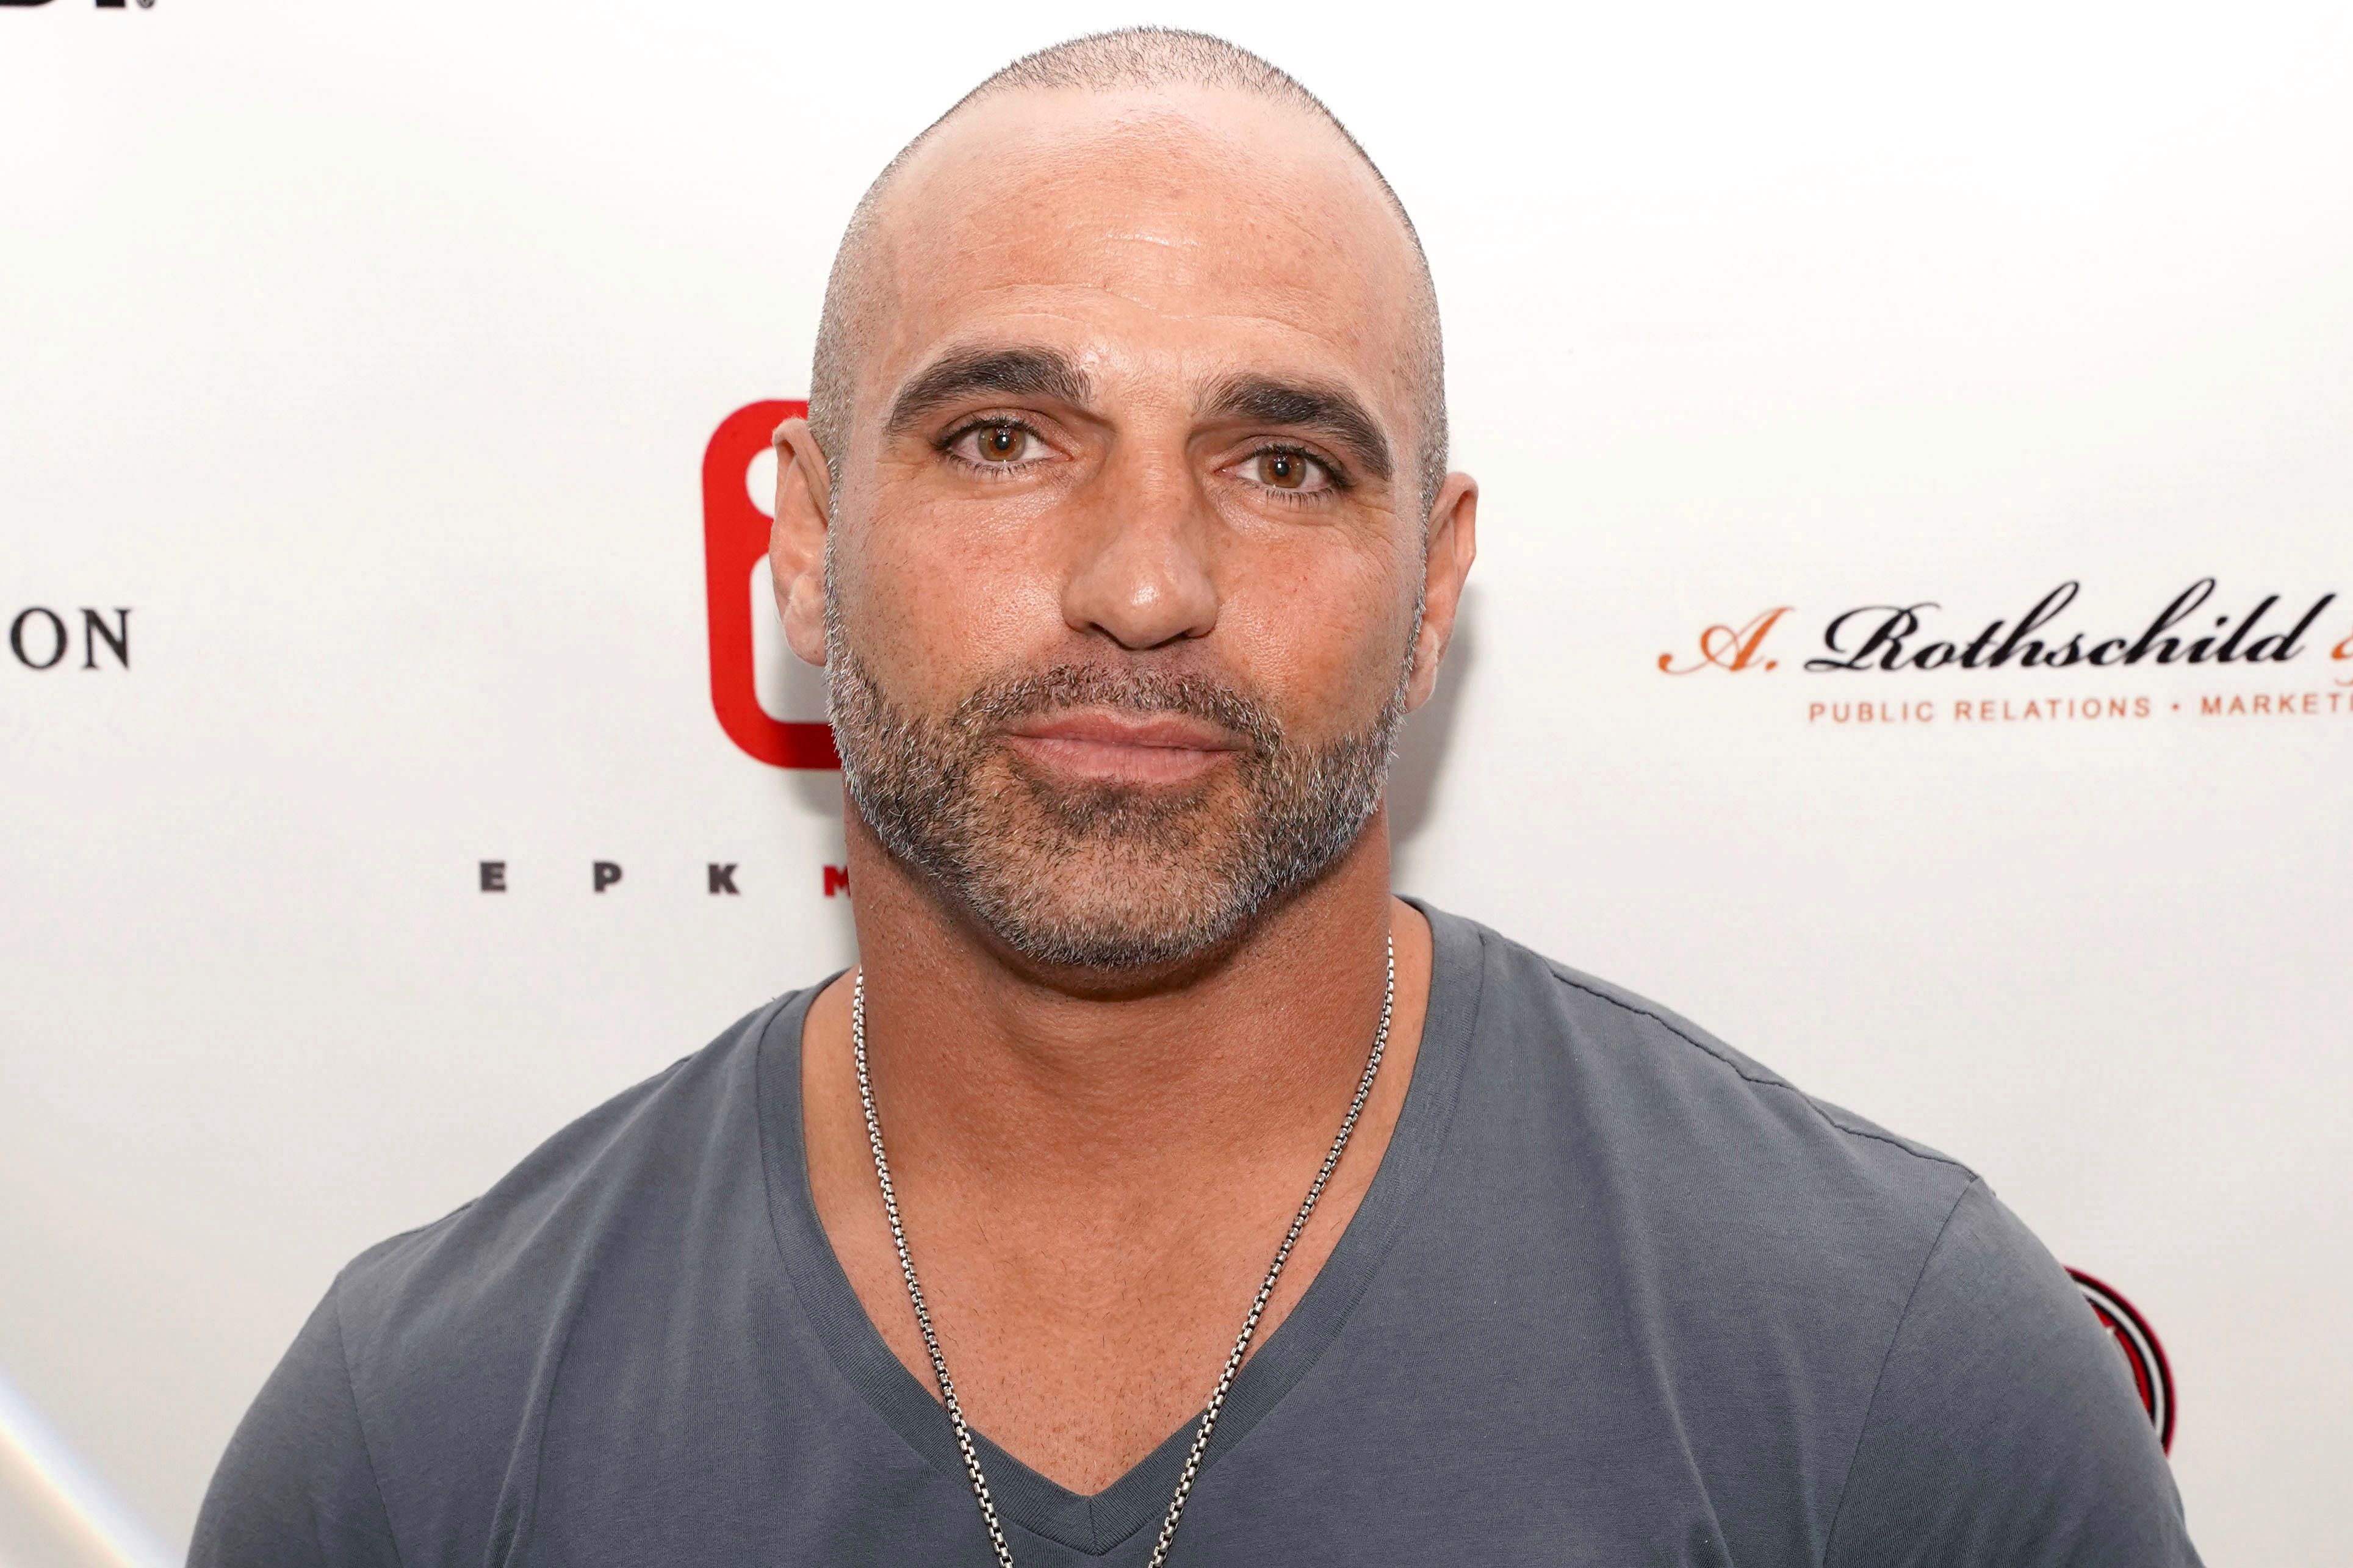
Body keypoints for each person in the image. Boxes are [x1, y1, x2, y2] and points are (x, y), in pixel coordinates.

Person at [193, 27, 2200, 1567]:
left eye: (1285, 464)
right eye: (1004, 437)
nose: (1144, 581)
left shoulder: (1887, 1376)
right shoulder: (423, 1430)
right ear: (803, 541)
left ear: (1433, 590)